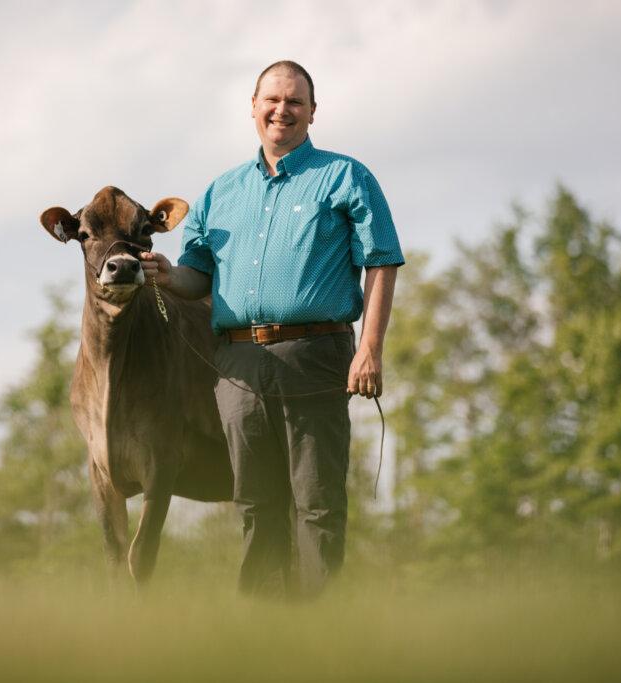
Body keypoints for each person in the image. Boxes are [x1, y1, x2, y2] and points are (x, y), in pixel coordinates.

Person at [141, 60, 404, 598]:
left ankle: (319, 630)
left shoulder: (345, 176)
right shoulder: (221, 192)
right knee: (256, 501)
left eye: (295, 101)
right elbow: (197, 277)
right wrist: (169, 275)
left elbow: (382, 261)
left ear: (312, 112)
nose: (282, 109)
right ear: (254, 108)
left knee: (316, 498)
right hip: (236, 365)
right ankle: (264, 636)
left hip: (317, 354)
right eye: (272, 100)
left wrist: (370, 349)